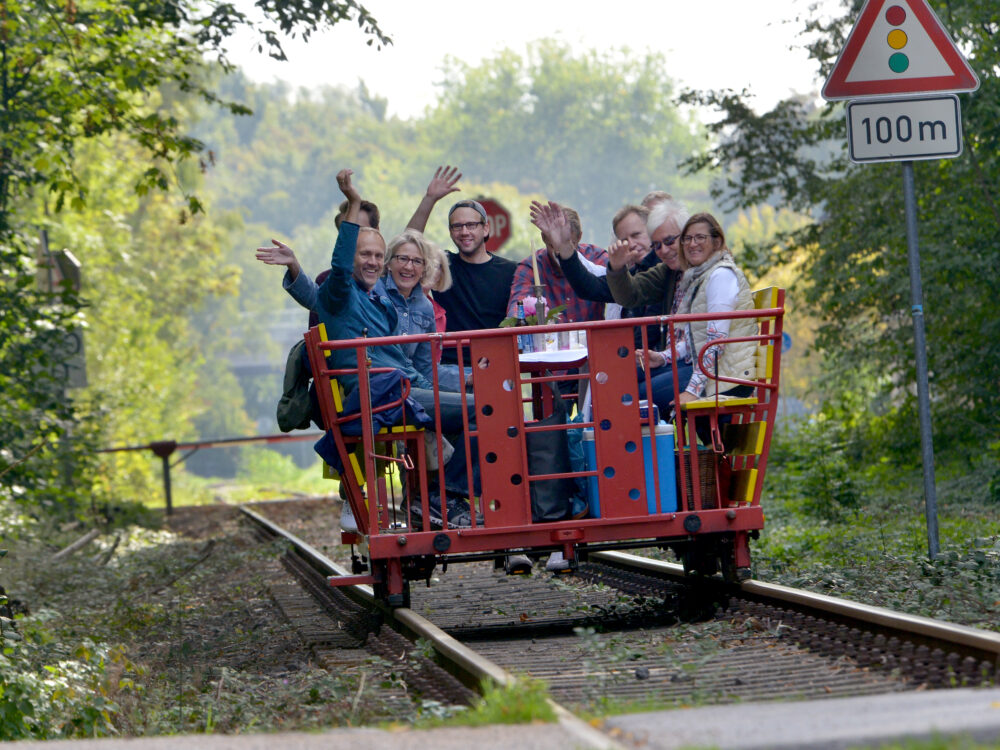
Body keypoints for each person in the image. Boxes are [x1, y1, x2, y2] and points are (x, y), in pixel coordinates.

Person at [606, 211, 757, 419]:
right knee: (625, 377)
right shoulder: (699, 277)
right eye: (687, 239)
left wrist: (692, 391)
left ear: (717, 241)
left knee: (639, 394)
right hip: (710, 368)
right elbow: (696, 339)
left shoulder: (721, 275)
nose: (692, 244)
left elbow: (716, 343)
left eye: (700, 237)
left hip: (727, 375)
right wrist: (662, 357)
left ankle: (652, 449)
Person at [506, 205, 606, 325]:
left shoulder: (597, 258)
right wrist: (518, 319)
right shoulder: (531, 267)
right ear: (544, 238)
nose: (559, 253)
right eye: (553, 245)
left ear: (579, 237)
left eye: (568, 245)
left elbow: (622, 288)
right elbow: (518, 308)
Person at [381, 230, 438, 386]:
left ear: (424, 269)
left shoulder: (425, 307)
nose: (409, 267)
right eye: (402, 258)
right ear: (388, 262)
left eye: (417, 261)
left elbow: (426, 367)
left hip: (412, 385)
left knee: (473, 398)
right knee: (469, 406)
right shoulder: (375, 292)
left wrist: (467, 378)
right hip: (382, 387)